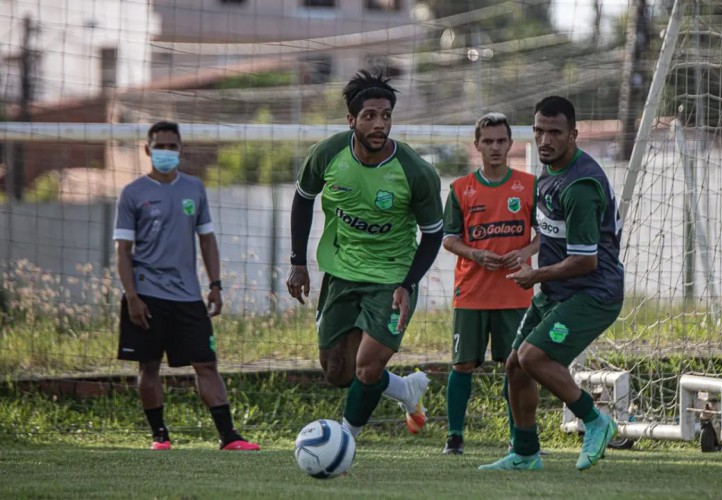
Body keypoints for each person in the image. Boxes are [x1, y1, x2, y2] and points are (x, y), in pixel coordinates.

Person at [286, 70, 444, 438]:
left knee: (368, 369)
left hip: (392, 276)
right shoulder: (327, 155)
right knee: (337, 371)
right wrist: (298, 263)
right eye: (370, 115)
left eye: (386, 115)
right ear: (351, 120)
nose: (379, 124)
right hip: (341, 272)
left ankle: (344, 443)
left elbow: (433, 236)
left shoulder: (415, 171)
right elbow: (302, 200)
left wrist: (408, 284)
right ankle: (406, 390)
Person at [479, 96, 623, 471]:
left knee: (532, 357)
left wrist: (535, 274)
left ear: (573, 135)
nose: (545, 139)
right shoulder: (549, 173)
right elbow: (551, 233)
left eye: (555, 132)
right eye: (539, 130)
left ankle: (595, 421)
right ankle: (525, 454)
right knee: (515, 366)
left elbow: (586, 260)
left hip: (594, 292)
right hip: (560, 290)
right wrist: (529, 252)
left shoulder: (580, 185)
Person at [114, 121, 260, 451]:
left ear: (181, 150)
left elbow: (207, 240)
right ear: (147, 149)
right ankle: (160, 437)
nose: (166, 152)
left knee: (206, 363)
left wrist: (216, 285)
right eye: (160, 146)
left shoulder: (194, 188)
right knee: (149, 365)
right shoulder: (132, 193)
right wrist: (132, 296)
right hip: (147, 294)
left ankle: (228, 437)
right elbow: (122, 250)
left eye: (172, 146)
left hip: (188, 296)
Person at [441, 112, 538, 455]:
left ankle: (519, 436)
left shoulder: (528, 186)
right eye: (488, 141)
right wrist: (476, 254)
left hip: (515, 291)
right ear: (477, 145)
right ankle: (454, 436)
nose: (495, 147)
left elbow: (547, 234)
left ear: (511, 144)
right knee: (462, 364)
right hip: (471, 292)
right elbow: (448, 238)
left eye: (501, 141)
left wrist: (525, 251)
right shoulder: (460, 189)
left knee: (515, 366)